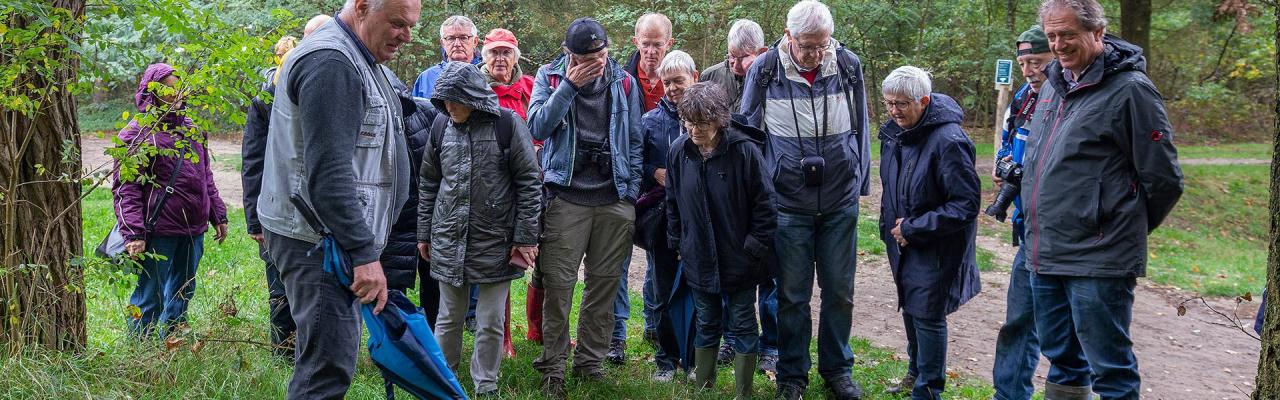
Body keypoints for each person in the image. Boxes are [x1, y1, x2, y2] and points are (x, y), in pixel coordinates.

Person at [255, 0, 419, 397]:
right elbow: (328, 175)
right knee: (325, 374)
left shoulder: (358, 55)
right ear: (362, 7)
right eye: (397, 23)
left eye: (411, 25)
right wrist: (364, 253)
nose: (406, 36)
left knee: (325, 365)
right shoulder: (332, 61)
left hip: (329, 239)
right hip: (322, 244)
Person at [1022, 1, 1184, 398]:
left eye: (1068, 35)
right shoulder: (1054, 84)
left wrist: (1114, 227)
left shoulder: (1131, 90)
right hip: (1046, 250)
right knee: (1061, 357)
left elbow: (1164, 179)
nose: (1058, 45)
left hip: (1099, 256)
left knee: (1109, 367)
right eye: (1053, 36)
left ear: (1097, 33)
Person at [738, 1, 871, 398]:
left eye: (821, 45)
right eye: (807, 45)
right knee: (792, 295)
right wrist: (757, 196)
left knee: (840, 292)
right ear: (788, 35)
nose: (814, 53)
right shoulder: (764, 71)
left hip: (839, 200)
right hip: (787, 203)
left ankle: (838, 371)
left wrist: (858, 180)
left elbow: (862, 126)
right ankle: (791, 375)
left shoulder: (847, 65)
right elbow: (748, 132)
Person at [527, 17, 643, 399]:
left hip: (614, 199)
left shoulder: (623, 80)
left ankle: (590, 363)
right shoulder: (550, 76)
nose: (595, 61)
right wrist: (571, 87)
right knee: (558, 288)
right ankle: (553, 369)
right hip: (566, 198)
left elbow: (636, 140)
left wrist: (631, 194)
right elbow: (538, 127)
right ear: (568, 53)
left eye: (600, 53)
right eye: (585, 56)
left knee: (604, 287)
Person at [417, 61, 543, 397]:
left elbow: (529, 183)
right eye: (443, 101)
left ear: (471, 97)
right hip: (447, 236)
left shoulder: (507, 124)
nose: (449, 107)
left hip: (496, 240)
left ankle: (485, 386)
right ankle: (443, 383)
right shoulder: (441, 124)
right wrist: (424, 233)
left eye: (454, 100)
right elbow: (429, 181)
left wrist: (526, 236)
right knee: (447, 318)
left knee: (489, 322)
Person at [666, 81, 777, 400]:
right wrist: (679, 243)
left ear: (719, 120)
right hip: (697, 255)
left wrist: (754, 247)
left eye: (701, 122)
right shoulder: (679, 151)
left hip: (741, 258)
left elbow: (766, 205)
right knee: (707, 321)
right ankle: (704, 386)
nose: (694, 129)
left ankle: (743, 392)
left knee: (742, 322)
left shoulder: (744, 151)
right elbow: (672, 202)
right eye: (688, 121)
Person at [877, 66, 982, 400]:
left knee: (927, 315)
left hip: (936, 246)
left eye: (902, 104)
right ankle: (914, 373)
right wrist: (889, 227)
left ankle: (928, 391)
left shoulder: (949, 141)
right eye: (889, 103)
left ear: (923, 101)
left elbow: (965, 204)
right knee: (911, 308)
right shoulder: (894, 132)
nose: (894, 111)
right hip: (903, 242)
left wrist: (914, 228)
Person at [114, 63, 229, 338]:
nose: (175, 92)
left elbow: (205, 176)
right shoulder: (136, 134)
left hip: (193, 229)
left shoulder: (192, 130)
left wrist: (218, 214)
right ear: (151, 91)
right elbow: (125, 190)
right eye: (167, 86)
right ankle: (141, 349)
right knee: (149, 295)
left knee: (183, 290)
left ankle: (173, 342)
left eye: (178, 85)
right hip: (158, 231)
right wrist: (133, 233)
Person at [699, 17, 780, 373]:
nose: (734, 65)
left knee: (770, 272)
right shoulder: (713, 77)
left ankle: (771, 346)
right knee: (733, 267)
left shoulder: (778, 77)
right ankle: (732, 340)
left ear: (761, 53)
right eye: (729, 57)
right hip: (727, 190)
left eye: (742, 58)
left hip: (770, 185)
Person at [987, 24, 1054, 400]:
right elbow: (1010, 142)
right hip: (1028, 228)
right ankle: (1008, 395)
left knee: (1070, 334)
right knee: (1019, 322)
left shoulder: (1065, 100)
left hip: (1065, 232)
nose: (1030, 70)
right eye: (1024, 62)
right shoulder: (1024, 97)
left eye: (1038, 62)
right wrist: (1003, 167)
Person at [608, 12, 675, 364]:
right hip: (623, 183)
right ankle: (617, 336)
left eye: (657, 44)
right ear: (636, 42)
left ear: (669, 43)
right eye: (645, 44)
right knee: (617, 259)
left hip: (664, 191)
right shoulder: (619, 80)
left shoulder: (679, 79)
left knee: (657, 258)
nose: (651, 51)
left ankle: (654, 325)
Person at [638, 50, 697, 382]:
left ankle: (692, 358)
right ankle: (665, 359)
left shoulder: (709, 117)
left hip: (700, 216)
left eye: (679, 80)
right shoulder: (650, 122)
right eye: (667, 81)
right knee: (662, 287)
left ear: (694, 77)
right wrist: (654, 171)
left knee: (696, 289)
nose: (673, 88)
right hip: (662, 216)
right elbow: (636, 165)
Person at [242, 35, 299, 360]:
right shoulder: (264, 100)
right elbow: (253, 162)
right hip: (274, 208)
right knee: (279, 285)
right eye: (282, 55)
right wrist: (254, 220)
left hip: (311, 211)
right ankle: (282, 352)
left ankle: (308, 349)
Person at [383, 72, 441, 327]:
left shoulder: (426, 112)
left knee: (435, 286)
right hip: (391, 223)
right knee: (392, 292)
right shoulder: (367, 121)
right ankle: (398, 350)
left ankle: (435, 349)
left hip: (430, 216)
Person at [700, 19, 768, 111]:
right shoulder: (709, 77)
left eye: (744, 58)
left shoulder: (772, 80)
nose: (736, 65)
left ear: (762, 52)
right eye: (732, 56)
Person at [412, 15, 482, 99]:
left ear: (475, 41)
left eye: (463, 38)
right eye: (450, 38)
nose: (457, 44)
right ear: (442, 43)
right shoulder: (426, 78)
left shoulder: (486, 75)